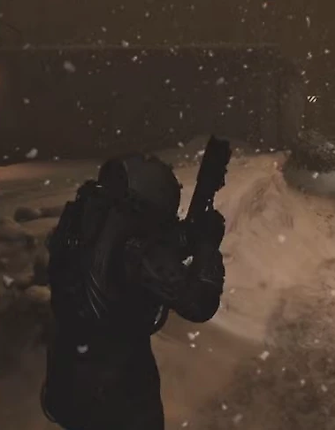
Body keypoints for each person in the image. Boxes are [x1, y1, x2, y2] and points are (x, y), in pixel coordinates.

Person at [41, 153, 226, 430]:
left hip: (70, 382)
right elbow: (200, 303)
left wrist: (188, 236)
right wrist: (207, 247)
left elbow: (156, 248)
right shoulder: (134, 245)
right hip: (118, 397)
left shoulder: (91, 221)